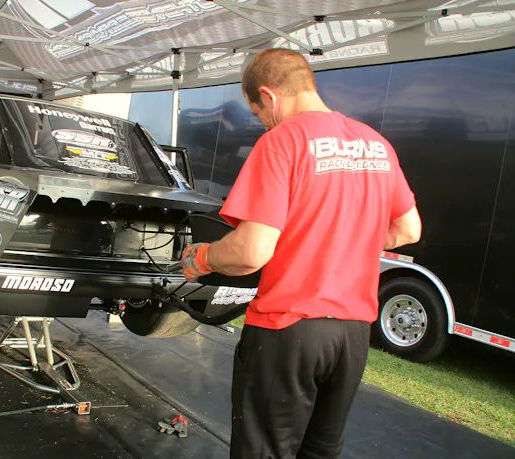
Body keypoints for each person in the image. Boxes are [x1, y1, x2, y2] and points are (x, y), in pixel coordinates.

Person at [180, 48, 422, 459]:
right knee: (320, 451)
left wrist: (201, 258)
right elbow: (407, 229)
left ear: (268, 95)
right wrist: (343, 237)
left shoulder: (282, 142)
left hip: (288, 328)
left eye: (257, 112)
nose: (262, 121)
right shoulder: (376, 144)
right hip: (352, 334)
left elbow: (251, 251)